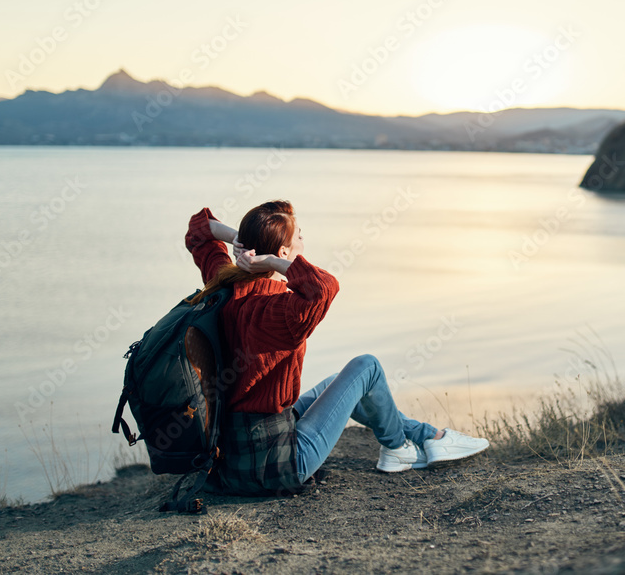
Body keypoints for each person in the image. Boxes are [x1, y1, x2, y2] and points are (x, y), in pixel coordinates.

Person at [184, 200, 488, 496]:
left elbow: (198, 230)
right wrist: (271, 261)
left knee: (339, 382)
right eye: (299, 235)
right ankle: (397, 449)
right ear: (284, 251)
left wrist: (240, 241)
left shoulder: (223, 284)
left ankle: (428, 437)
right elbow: (324, 286)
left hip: (231, 459)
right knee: (367, 367)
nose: (304, 239)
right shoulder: (277, 311)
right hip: (278, 467)